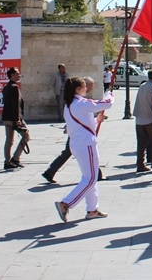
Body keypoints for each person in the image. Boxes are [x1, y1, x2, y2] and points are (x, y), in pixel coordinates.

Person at [54, 76, 113, 222]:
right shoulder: (80, 103)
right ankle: (65, 203)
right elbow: (106, 104)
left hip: (78, 143)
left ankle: (92, 209)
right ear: (78, 89)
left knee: (89, 177)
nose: (86, 88)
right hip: (86, 144)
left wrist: (96, 120)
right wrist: (109, 94)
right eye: (84, 86)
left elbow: (81, 124)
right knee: (91, 178)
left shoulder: (70, 104)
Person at [43, 77, 105, 183]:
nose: (90, 88)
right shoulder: (77, 100)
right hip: (78, 133)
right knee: (76, 152)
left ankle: (50, 171)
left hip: (78, 132)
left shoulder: (78, 98)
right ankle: (50, 171)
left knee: (78, 153)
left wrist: (96, 120)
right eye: (88, 86)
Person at [1, 67, 29, 170]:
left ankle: (7, 161)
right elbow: (15, 105)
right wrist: (17, 120)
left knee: (9, 139)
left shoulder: (6, 87)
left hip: (6, 117)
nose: (19, 75)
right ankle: (15, 158)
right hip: (14, 118)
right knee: (26, 136)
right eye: (17, 73)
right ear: (12, 75)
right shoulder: (14, 87)